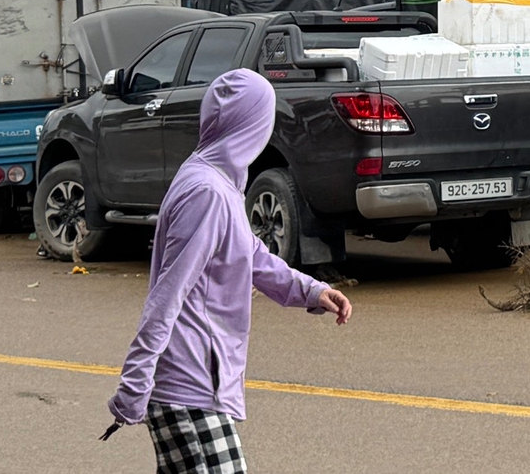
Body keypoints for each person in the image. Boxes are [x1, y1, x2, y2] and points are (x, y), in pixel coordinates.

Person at [107, 69, 353, 473]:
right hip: (189, 386)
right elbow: (168, 293)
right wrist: (135, 382)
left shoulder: (220, 182)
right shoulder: (207, 192)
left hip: (197, 383)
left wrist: (310, 290)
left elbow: (250, 254)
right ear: (252, 126)